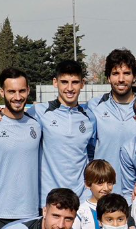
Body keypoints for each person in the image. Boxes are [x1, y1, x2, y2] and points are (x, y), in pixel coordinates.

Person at [0, 68, 42, 229]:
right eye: (11, 91)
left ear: (28, 90)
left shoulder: (37, 123)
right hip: (1, 213)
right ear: (1, 92)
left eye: (21, 91)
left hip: (32, 213)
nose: (17, 97)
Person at [31, 60, 98, 199]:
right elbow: (13, 119)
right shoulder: (39, 112)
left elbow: (91, 154)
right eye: (64, 82)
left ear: (82, 84)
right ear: (55, 82)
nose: (69, 88)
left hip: (81, 199)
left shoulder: (89, 117)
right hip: (49, 198)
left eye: (74, 82)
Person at [89, 48, 136, 188]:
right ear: (108, 77)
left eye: (126, 73)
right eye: (115, 73)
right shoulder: (94, 107)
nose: (121, 79)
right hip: (104, 192)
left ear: (134, 77)